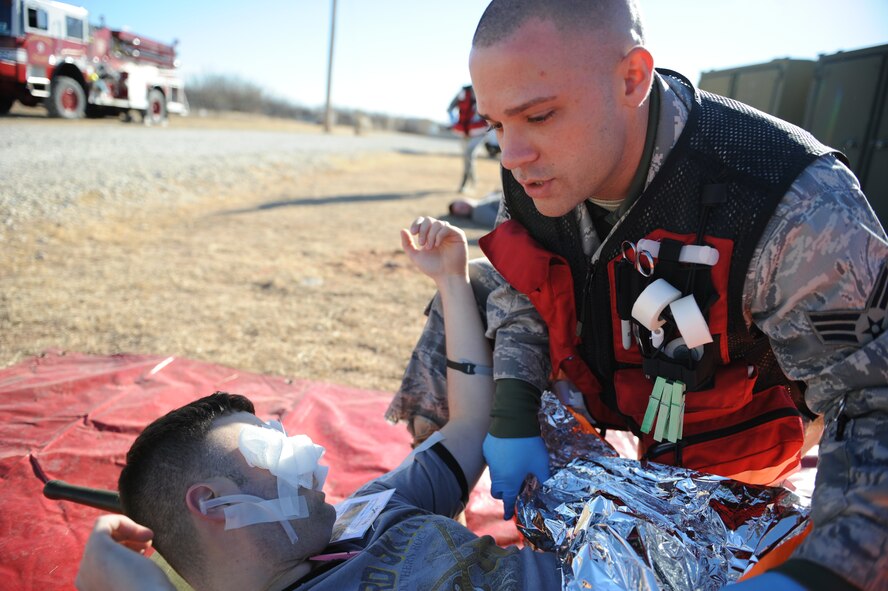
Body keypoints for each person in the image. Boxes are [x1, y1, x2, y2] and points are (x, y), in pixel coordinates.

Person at [386, 1, 888, 590]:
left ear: (631, 79)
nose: (514, 156)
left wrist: (826, 573)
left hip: (726, 433)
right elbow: (524, 289)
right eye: (498, 126)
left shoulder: (789, 199)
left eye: (540, 116)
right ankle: (432, 493)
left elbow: (873, 398)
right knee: (466, 289)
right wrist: (513, 412)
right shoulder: (537, 165)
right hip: (600, 391)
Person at [75, 218, 562, 591]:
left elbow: (470, 425)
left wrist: (452, 283)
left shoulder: (360, 514)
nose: (303, 449)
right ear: (214, 503)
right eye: (269, 446)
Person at [448, 84, 489, 193]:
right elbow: (450, 108)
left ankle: (464, 183)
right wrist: (454, 122)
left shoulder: (486, 91)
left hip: (479, 132)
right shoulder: (463, 93)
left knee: (469, 153)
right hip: (464, 132)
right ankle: (473, 179)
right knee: (466, 157)